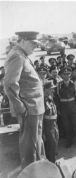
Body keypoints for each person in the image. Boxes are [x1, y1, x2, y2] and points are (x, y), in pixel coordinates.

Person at [4, 31, 45, 169]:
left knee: (36, 144)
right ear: (22, 41)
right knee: (30, 148)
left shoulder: (23, 55)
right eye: (32, 43)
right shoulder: (17, 56)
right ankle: (31, 173)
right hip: (29, 109)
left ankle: (37, 171)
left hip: (34, 108)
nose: (35, 46)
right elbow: (9, 83)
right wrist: (19, 106)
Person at [57, 67, 76, 148]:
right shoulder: (59, 85)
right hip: (63, 108)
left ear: (70, 75)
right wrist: (58, 109)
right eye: (64, 74)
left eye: (68, 74)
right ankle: (69, 141)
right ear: (62, 76)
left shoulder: (74, 84)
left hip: (72, 106)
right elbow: (57, 98)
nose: (66, 76)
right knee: (66, 125)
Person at [43, 81, 59, 163]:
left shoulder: (50, 98)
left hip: (54, 124)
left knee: (55, 142)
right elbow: (41, 119)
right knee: (51, 145)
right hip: (48, 126)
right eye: (51, 89)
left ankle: (53, 159)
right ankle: (51, 163)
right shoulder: (42, 100)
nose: (53, 91)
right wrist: (43, 133)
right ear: (46, 89)